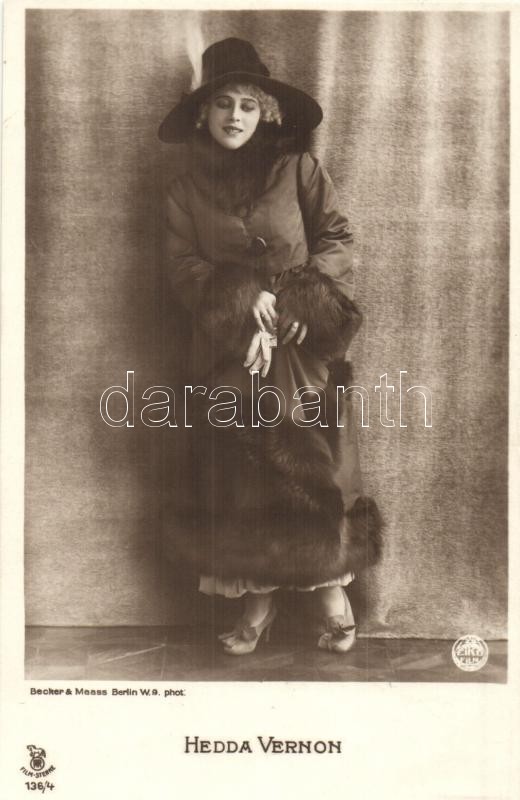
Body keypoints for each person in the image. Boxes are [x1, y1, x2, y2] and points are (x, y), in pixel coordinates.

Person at [158, 38, 382, 656]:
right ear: (202, 113)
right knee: (242, 476)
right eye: (222, 104)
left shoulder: (299, 170)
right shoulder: (183, 191)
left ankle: (331, 595)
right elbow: (182, 267)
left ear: (266, 114)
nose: (234, 116)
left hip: (301, 344)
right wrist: (239, 296)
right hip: (228, 351)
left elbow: (337, 239)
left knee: (317, 465)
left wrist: (298, 300)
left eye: (248, 106)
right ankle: (256, 599)